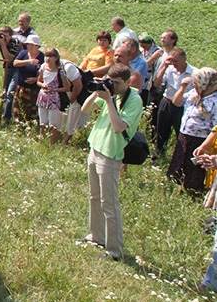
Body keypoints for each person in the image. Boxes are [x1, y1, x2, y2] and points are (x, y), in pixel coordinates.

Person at [80, 63, 143, 261]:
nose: (113, 86)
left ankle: (115, 250)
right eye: (110, 81)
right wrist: (96, 91)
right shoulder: (110, 93)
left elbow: (118, 127)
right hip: (95, 147)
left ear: (127, 82)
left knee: (109, 203)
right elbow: (85, 109)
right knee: (94, 197)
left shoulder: (134, 100)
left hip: (111, 154)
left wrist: (108, 101)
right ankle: (96, 236)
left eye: (116, 83)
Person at [167, 67, 217, 192]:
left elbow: (216, 129)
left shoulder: (214, 101)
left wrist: (205, 146)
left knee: (194, 170)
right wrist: (183, 87)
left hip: (200, 140)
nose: (194, 85)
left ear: (205, 83)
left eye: (196, 82)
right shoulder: (194, 94)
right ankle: (177, 188)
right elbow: (176, 102)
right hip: (185, 136)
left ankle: (193, 193)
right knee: (179, 165)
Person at [154, 48, 193, 158]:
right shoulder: (169, 69)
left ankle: (180, 157)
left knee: (180, 134)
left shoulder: (193, 73)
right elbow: (157, 83)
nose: (174, 64)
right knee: (161, 131)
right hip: (167, 102)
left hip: (182, 107)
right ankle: (158, 155)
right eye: (172, 61)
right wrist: (164, 67)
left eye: (176, 61)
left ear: (184, 59)